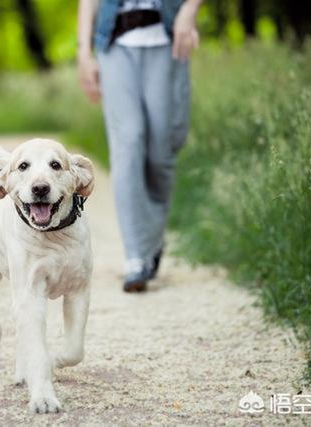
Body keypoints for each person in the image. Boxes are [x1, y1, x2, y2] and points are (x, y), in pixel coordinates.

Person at [77, 0, 201, 292]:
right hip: (114, 43)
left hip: (167, 37)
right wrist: (84, 53)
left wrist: (190, 9)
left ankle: (152, 238)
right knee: (128, 142)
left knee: (161, 152)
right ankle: (136, 255)